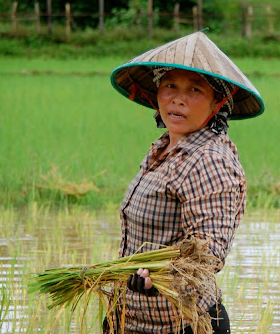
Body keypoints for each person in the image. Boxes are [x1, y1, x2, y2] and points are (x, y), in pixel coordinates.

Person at [108, 31, 264, 334]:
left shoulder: (210, 160)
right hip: (132, 319)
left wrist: (160, 278)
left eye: (195, 90)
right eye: (169, 85)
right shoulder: (163, 149)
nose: (178, 99)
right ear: (156, 92)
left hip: (183, 324)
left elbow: (207, 253)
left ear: (218, 103)